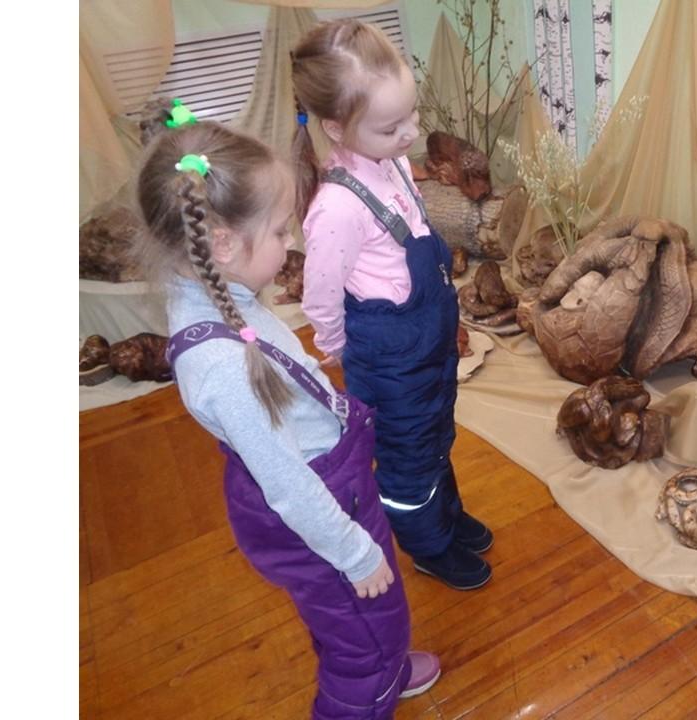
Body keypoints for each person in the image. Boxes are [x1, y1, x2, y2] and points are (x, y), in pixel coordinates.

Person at [136, 113, 438, 718]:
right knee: (360, 634)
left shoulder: (214, 287)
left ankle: (387, 659)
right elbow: (289, 486)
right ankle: (369, 685)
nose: (290, 241)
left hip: (333, 489)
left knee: (361, 618)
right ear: (223, 244)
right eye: (279, 231)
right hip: (318, 508)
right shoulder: (222, 368)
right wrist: (353, 554)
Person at [291, 19, 493, 590]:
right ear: (336, 127)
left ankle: (445, 516)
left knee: (435, 436)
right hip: (390, 364)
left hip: (429, 346)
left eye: (412, 114)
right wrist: (337, 348)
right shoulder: (336, 207)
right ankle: (427, 545)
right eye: (390, 127)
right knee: (406, 460)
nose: (411, 133)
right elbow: (320, 295)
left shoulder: (395, 162)